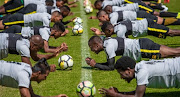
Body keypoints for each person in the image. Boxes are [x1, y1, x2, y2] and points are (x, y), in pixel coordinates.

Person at [99, 56, 180, 97]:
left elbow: (138, 96)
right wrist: (120, 93)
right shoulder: (140, 65)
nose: (121, 77)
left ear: (128, 70)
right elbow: (139, 92)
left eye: (121, 74)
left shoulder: (142, 72)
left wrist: (115, 95)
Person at [85, 36, 180, 70]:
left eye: (91, 47)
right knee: (174, 52)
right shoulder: (107, 42)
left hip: (142, 48)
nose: (92, 50)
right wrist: (95, 64)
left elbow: (110, 67)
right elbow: (110, 64)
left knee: (174, 53)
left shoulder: (108, 46)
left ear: (97, 45)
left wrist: (95, 65)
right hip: (142, 45)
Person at [0, 58, 68, 97]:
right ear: (38, 73)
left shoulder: (28, 71)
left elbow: (32, 96)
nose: (45, 79)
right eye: (45, 76)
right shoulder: (24, 75)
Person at [0, 33, 67, 69]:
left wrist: (52, 55)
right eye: (38, 48)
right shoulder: (24, 47)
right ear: (33, 46)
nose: (38, 50)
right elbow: (28, 68)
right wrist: (48, 68)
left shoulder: (28, 39)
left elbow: (35, 57)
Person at [1, 22, 68, 53]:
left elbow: (43, 46)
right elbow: (46, 49)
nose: (60, 36)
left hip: (17, 30)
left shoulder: (48, 30)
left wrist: (58, 48)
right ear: (56, 31)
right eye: (60, 34)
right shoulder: (45, 33)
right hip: (17, 32)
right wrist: (60, 50)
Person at [98, 19, 180, 39]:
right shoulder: (117, 25)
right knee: (168, 34)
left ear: (108, 30)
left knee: (170, 32)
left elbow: (123, 43)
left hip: (148, 27)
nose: (106, 35)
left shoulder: (119, 30)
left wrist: (106, 40)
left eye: (106, 33)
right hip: (146, 26)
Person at [97, 10, 180, 26]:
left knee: (163, 22)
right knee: (162, 21)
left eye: (101, 19)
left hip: (140, 17)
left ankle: (178, 18)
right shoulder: (112, 14)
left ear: (104, 16)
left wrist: (101, 33)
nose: (102, 21)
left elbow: (112, 28)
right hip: (139, 15)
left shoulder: (113, 17)